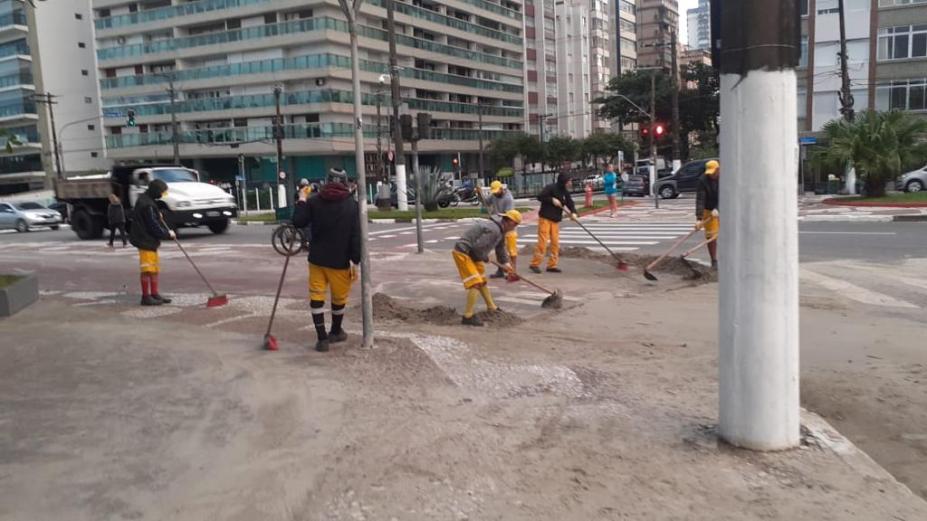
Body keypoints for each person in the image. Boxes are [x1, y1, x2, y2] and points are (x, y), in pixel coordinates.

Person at [292, 167, 360, 353]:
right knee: (338, 298)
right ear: (345, 183)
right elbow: (356, 236)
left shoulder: (314, 202)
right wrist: (356, 260)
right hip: (340, 261)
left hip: (317, 259)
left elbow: (298, 222)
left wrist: (302, 199)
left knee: (317, 296)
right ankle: (336, 331)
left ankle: (322, 339)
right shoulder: (352, 206)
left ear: (326, 180)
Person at [452, 209, 522, 326]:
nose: (515, 227)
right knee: (475, 283)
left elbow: (500, 249)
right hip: (464, 252)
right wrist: (485, 258)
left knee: (482, 281)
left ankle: (491, 307)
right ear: (510, 221)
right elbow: (477, 248)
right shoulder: (494, 230)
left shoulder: (501, 231)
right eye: (515, 224)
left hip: (473, 254)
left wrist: (506, 264)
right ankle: (468, 316)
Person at [128, 179, 175, 306]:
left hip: (149, 240)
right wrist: (167, 234)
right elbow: (152, 225)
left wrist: (156, 213)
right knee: (147, 269)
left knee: (154, 269)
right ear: (155, 191)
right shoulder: (147, 204)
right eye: (161, 192)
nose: (162, 195)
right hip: (145, 240)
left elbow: (152, 218)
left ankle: (154, 293)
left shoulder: (147, 200)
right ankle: (146, 297)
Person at [530, 173, 578, 274]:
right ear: (563, 181)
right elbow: (540, 196)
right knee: (542, 243)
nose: (570, 183)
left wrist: (573, 212)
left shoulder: (565, 192)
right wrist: (551, 199)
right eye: (569, 181)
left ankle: (552, 265)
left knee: (555, 244)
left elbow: (570, 203)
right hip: (545, 219)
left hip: (555, 220)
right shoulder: (550, 188)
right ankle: (535, 264)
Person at [484, 181, 519, 280]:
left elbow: (509, 217)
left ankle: (513, 272)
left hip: (509, 227)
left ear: (501, 189)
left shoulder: (508, 199)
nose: (495, 193)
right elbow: (486, 202)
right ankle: (500, 270)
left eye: (496, 191)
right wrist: (479, 194)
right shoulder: (494, 195)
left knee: (511, 251)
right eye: (493, 192)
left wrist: (495, 217)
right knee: (499, 250)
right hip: (499, 226)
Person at [695, 159, 720, 269]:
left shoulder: (725, 178)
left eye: (713, 172)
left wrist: (718, 208)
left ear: (718, 170)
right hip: (708, 209)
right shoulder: (703, 180)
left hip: (724, 207)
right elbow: (700, 198)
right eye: (709, 173)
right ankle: (714, 260)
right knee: (711, 236)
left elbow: (726, 194)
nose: (711, 175)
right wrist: (699, 218)